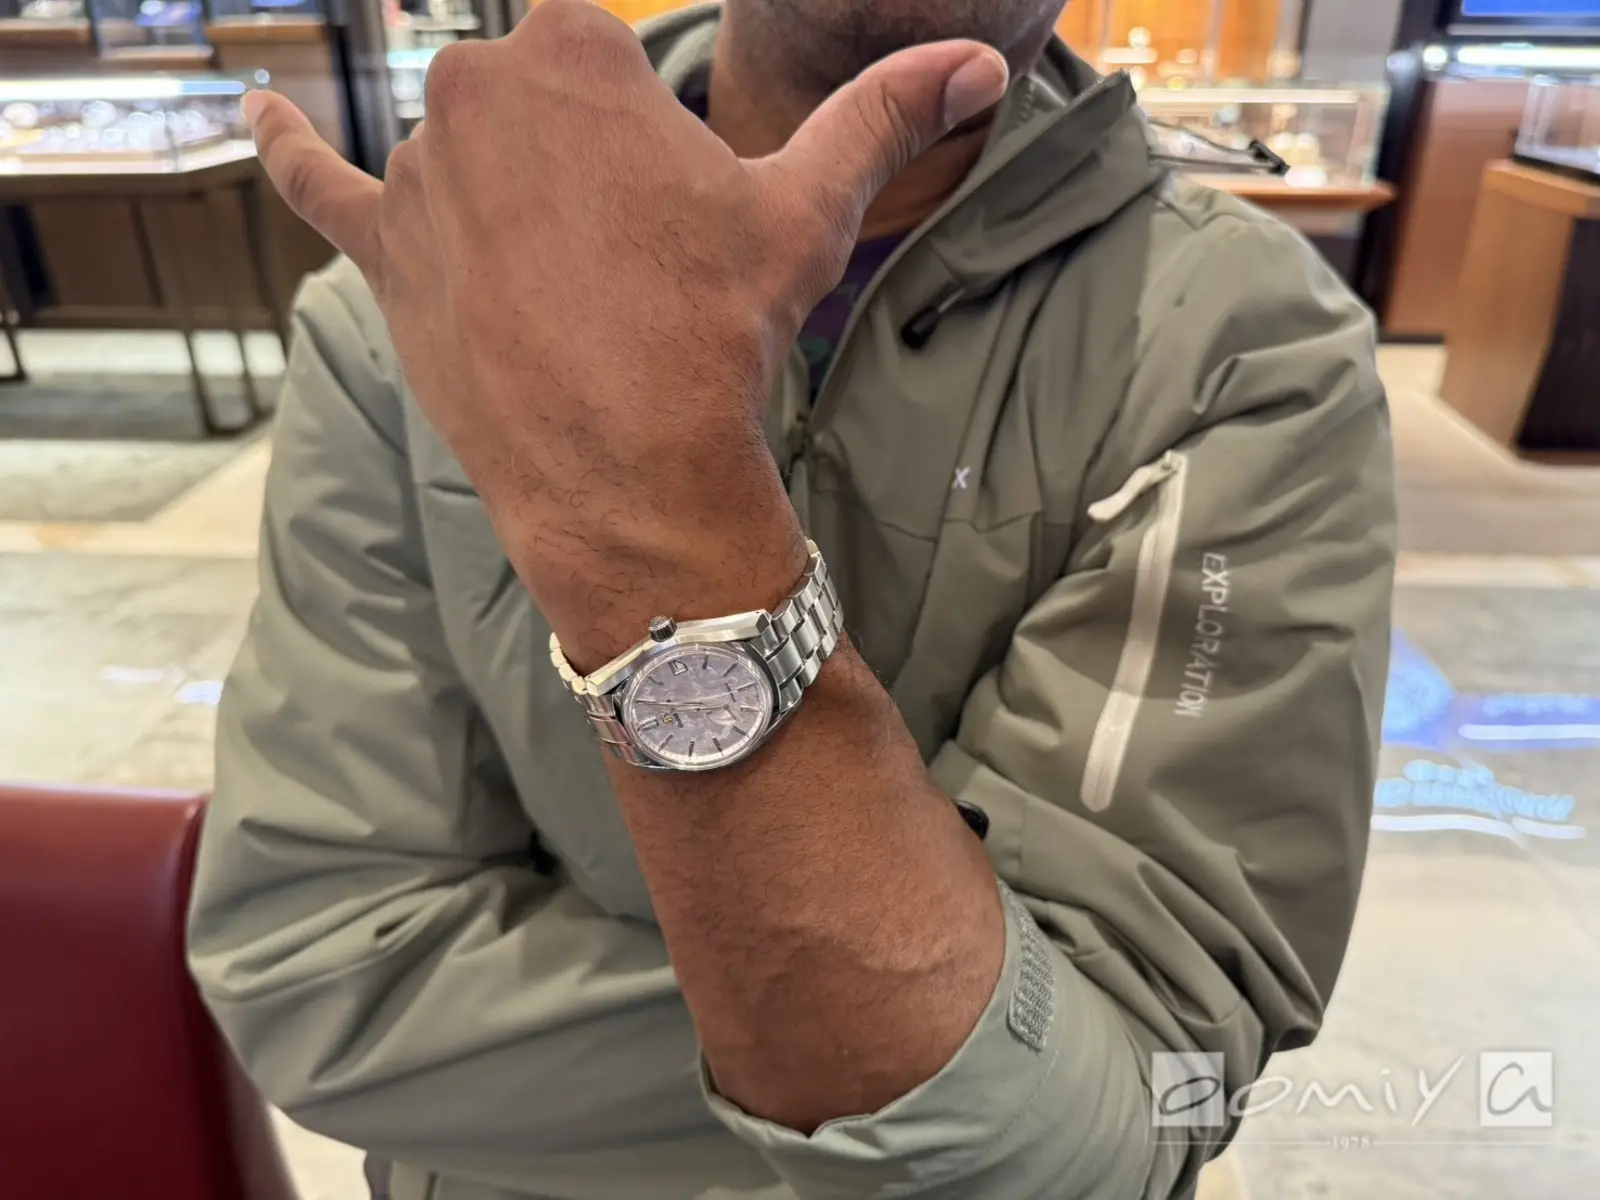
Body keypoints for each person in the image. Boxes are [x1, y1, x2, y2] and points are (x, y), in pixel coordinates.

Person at [185, 2, 1397, 1198]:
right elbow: (329, 980)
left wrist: (659, 510)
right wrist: (974, 1072)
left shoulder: (1250, 343)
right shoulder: (404, 292)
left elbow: (1118, 1105)